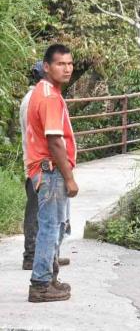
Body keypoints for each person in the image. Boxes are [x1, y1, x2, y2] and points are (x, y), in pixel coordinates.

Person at [26, 44, 78, 303]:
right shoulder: (48, 96)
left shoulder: (46, 91)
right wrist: (69, 177)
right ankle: (41, 284)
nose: (67, 68)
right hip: (51, 171)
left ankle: (49, 278)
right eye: (60, 64)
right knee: (49, 227)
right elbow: (55, 140)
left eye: (69, 63)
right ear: (46, 67)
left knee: (54, 226)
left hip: (45, 171)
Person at [21, 62, 71, 271]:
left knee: (47, 214)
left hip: (39, 164)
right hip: (43, 166)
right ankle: (33, 256)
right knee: (42, 215)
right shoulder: (40, 98)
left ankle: (47, 256)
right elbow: (51, 138)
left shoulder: (37, 96)